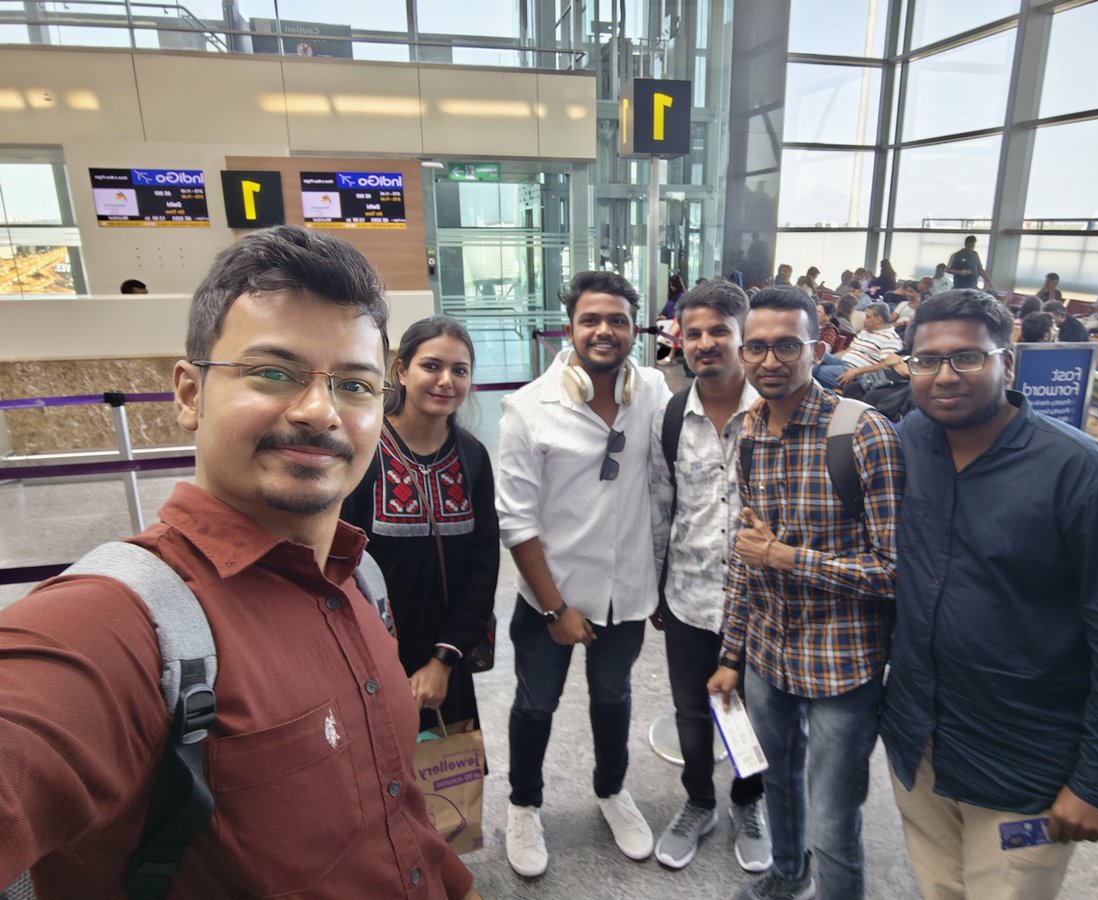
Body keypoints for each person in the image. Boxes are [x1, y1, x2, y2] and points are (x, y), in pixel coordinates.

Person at [0, 226, 477, 897]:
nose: (319, 411)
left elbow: (393, 812)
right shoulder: (121, 626)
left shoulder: (359, 581)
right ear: (190, 394)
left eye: (354, 384)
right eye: (272, 372)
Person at [882, 290, 1098, 900]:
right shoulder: (910, 442)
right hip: (920, 744)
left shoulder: (1084, 477)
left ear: (1007, 363)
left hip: (1021, 763)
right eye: (926, 361)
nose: (944, 376)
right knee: (939, 889)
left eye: (967, 358)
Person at [708, 286, 904, 900]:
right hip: (768, 655)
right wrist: (731, 655)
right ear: (743, 353)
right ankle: (787, 874)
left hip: (842, 666)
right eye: (758, 347)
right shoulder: (746, 432)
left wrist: (792, 559)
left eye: (787, 346)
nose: (771, 361)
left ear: (819, 348)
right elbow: (748, 556)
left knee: (833, 815)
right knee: (777, 784)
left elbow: (895, 571)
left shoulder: (864, 433)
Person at [497, 270, 671, 877]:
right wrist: (554, 609)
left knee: (613, 696)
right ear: (569, 329)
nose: (604, 330)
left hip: (627, 595)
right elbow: (516, 524)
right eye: (591, 320)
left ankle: (611, 790)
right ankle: (523, 804)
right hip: (553, 596)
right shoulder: (527, 409)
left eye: (618, 320)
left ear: (634, 329)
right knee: (536, 705)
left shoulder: (652, 392)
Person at [648, 280, 771, 873]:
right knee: (694, 712)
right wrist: (656, 590)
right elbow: (660, 508)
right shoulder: (670, 417)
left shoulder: (776, 411)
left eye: (719, 330)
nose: (705, 343)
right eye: (693, 332)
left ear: (742, 337)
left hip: (765, 603)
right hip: (690, 598)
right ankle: (699, 801)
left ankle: (750, 799)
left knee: (753, 712)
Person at [341, 316, 498, 733]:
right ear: (401, 371)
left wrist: (443, 660)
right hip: (369, 657)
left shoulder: (473, 457)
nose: (446, 380)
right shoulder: (362, 449)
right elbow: (337, 561)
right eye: (432, 366)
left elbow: (484, 564)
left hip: (448, 661)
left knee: (449, 787)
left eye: (459, 370)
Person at [812, 302, 903, 391]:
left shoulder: (891, 338)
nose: (864, 321)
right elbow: (847, 351)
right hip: (842, 362)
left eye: (867, 317)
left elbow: (885, 366)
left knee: (816, 371)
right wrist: (827, 359)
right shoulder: (865, 331)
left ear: (878, 319)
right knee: (816, 351)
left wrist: (856, 371)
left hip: (857, 373)